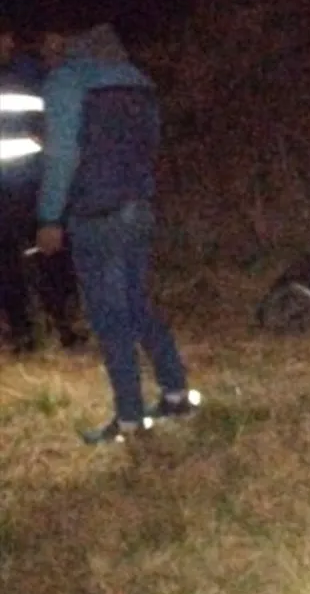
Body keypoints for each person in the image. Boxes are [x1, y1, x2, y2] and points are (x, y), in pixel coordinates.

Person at [34, 23, 199, 443]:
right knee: (138, 304)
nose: (45, 52)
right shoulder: (139, 82)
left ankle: (128, 418)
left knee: (110, 316)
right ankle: (176, 393)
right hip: (138, 207)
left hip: (96, 213)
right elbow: (150, 145)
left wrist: (49, 216)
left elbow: (62, 155)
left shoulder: (67, 82)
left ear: (67, 43)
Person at [0, 26, 87, 354]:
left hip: (33, 185)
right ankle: (23, 333)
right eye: (4, 36)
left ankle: (65, 328)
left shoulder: (30, 74)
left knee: (49, 256)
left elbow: (54, 119)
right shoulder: (28, 74)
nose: (11, 41)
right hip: (15, 189)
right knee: (8, 265)